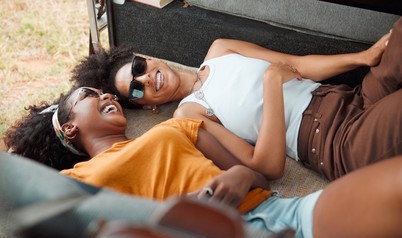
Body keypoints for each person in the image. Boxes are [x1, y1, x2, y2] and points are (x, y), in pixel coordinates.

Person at [5, 87, 402, 238]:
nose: (106, 96)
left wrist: (239, 177)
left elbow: (259, 178)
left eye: (106, 92)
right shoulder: (72, 182)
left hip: (277, 217)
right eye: (90, 96)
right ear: (70, 127)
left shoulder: (175, 126)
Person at [70, 17, 402, 181]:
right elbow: (265, 166)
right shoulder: (189, 116)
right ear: (148, 106)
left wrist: (364, 57)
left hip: (353, 97)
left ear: (148, 58)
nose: (145, 78)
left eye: (138, 67)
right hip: (334, 141)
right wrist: (272, 84)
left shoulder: (220, 50)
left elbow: (298, 65)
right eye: (137, 89)